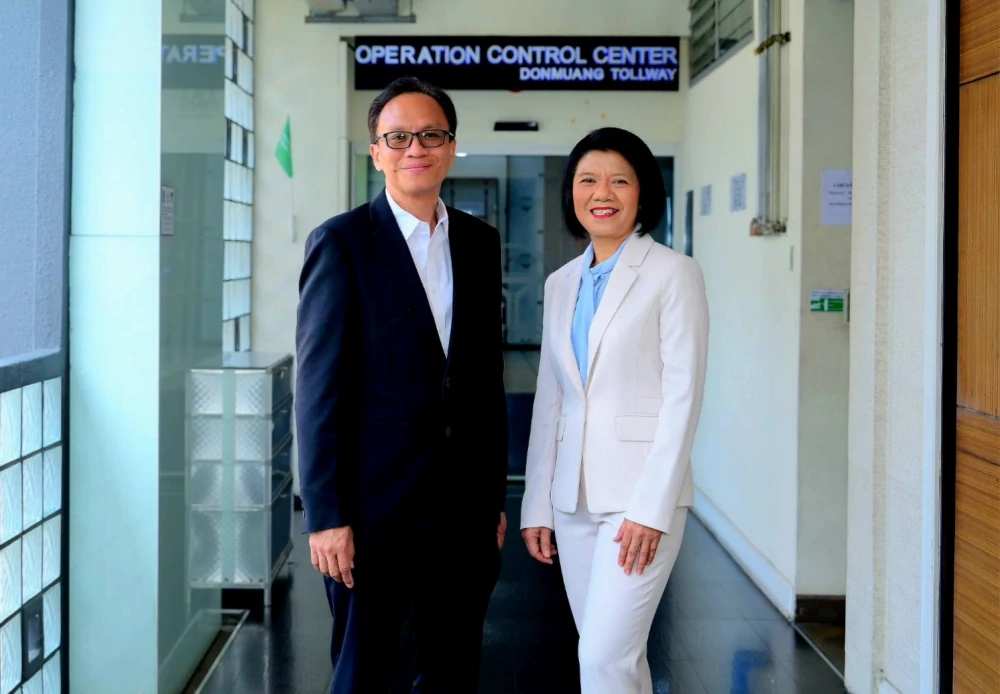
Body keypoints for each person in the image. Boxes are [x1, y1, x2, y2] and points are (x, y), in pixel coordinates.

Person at [295, 75, 509, 693]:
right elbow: (317, 390)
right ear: (376, 152)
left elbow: (483, 381)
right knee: (364, 673)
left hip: (463, 514)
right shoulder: (341, 243)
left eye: (431, 135)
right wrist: (326, 516)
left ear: (451, 147)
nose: (416, 147)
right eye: (398, 137)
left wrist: (493, 498)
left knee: (452, 672)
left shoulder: (480, 242)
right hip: (370, 514)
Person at [520, 127, 709, 693]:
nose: (602, 193)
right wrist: (537, 503)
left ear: (642, 193)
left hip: (638, 500)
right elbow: (552, 401)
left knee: (604, 657)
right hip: (572, 501)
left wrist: (652, 508)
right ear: (572, 194)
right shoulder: (561, 283)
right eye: (588, 180)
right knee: (614, 658)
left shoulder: (673, 272)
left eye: (619, 181)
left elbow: (683, 397)